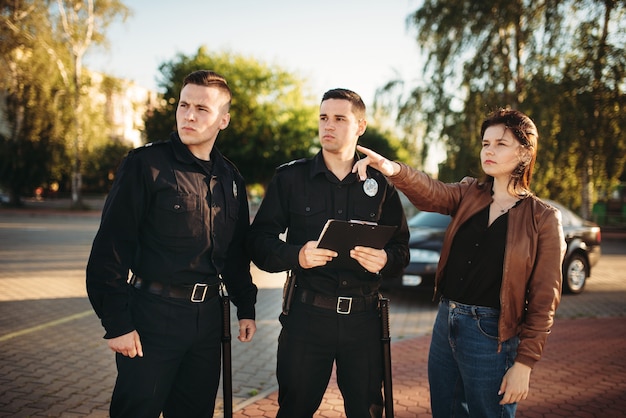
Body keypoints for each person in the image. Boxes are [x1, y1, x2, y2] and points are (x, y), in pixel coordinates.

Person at [353, 108, 565, 417]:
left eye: (500, 144)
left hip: (492, 335)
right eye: (485, 143)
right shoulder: (470, 193)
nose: (488, 150)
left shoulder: (543, 218)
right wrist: (392, 169)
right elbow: (432, 193)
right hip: (446, 321)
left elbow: (546, 299)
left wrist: (524, 363)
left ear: (525, 152)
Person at [86, 70, 257, 418]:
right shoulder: (146, 165)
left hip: (208, 320)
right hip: (152, 316)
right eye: (183, 105)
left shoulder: (231, 178)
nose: (189, 115)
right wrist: (117, 323)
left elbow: (235, 252)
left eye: (202, 109)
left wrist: (247, 306)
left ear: (223, 119)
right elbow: (110, 248)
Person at [247, 88, 410, 417]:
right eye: (323, 118)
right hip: (307, 319)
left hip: (364, 321)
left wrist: (386, 260)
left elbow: (401, 249)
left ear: (360, 126)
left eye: (339, 118)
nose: (328, 126)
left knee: (367, 411)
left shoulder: (380, 183)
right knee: (294, 410)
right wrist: (297, 255)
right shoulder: (291, 179)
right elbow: (258, 242)